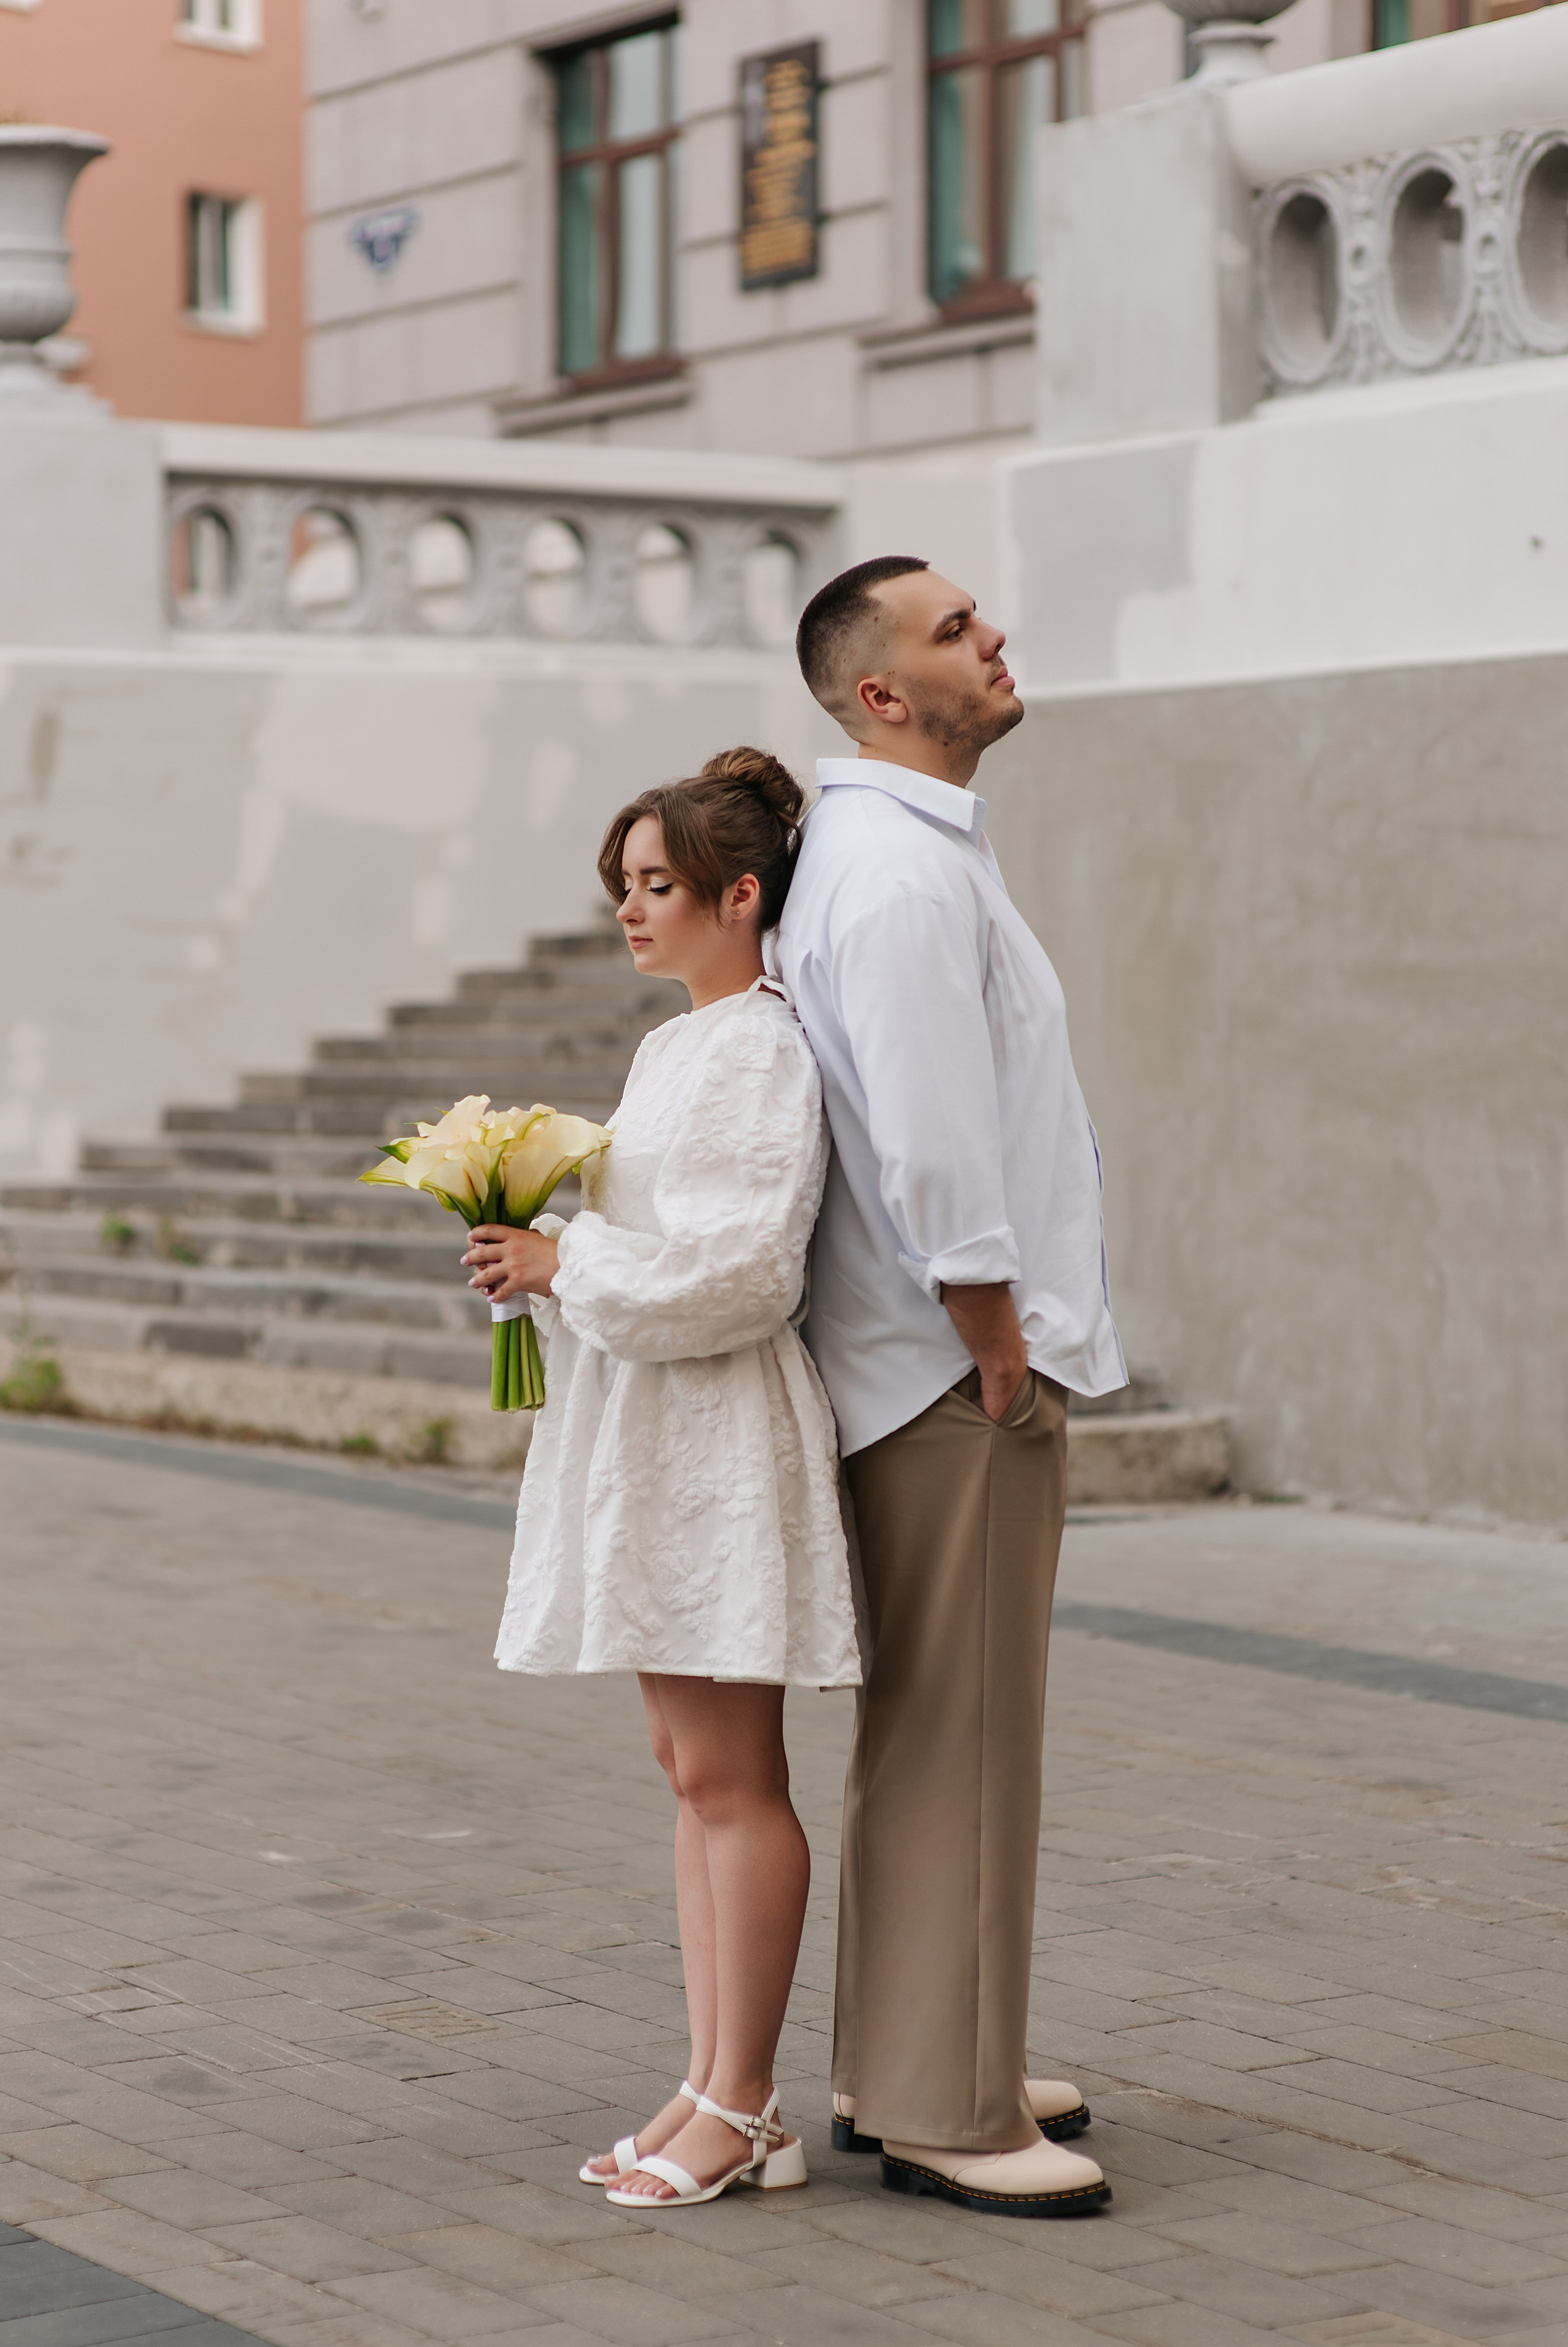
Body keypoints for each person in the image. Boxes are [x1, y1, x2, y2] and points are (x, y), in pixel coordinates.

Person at [773, 557, 1128, 2219]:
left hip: (933, 1360)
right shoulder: (899, 878)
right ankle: (942, 2102)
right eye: (954, 628)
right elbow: (929, 1138)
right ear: (881, 695)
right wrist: (999, 1338)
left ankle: (920, 2049)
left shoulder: (898, 853)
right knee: (965, 1739)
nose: (996, 634)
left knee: (938, 1734)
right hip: (950, 1369)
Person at [465, 747, 861, 2211]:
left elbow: (747, 1270)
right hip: (651, 1426)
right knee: (687, 1771)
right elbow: (647, 1250)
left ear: (738, 894)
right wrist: (535, 1276)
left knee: (733, 1774)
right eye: (621, 886)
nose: (631, 910)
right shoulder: (671, 1044)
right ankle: (705, 2081)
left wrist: (570, 1259)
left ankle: (745, 2104)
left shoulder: (761, 1046)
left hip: (716, 1435)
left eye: (657, 885)